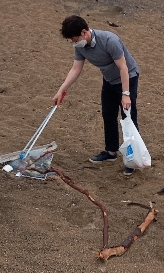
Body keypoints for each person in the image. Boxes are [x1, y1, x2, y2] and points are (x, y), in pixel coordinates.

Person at [53, 15, 140, 176]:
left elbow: (123, 68)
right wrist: (61, 90)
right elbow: (76, 69)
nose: (74, 43)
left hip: (128, 77)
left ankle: (132, 159)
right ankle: (111, 151)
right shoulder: (80, 46)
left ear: (84, 32)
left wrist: (126, 94)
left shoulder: (109, 40)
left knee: (128, 118)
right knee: (108, 114)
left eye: (75, 39)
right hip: (109, 80)